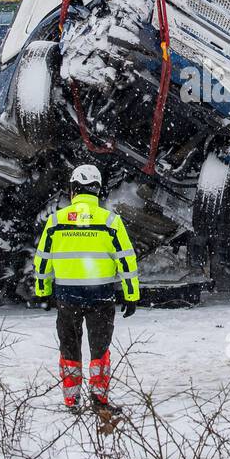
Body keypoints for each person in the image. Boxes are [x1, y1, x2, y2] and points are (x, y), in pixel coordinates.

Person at [33, 164, 139, 415]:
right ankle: (99, 400)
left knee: (69, 347)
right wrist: (131, 294)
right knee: (99, 350)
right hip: (101, 296)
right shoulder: (110, 221)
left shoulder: (56, 221)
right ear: (97, 190)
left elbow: (43, 260)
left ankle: (71, 401)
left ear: (74, 189)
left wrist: (42, 290)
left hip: (67, 297)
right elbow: (126, 259)